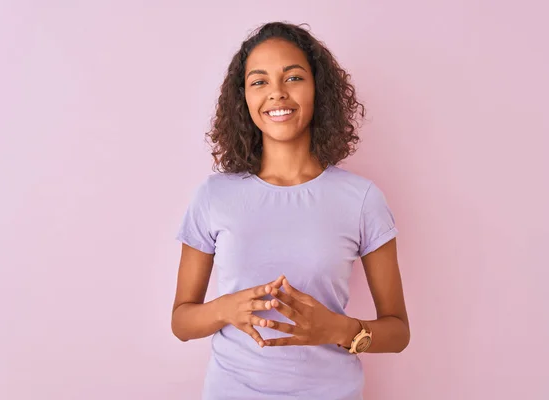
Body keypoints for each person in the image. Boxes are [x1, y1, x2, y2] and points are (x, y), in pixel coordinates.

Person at [171, 21, 410, 400]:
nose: (277, 93)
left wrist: (335, 329)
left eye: (293, 77)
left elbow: (398, 332)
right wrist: (226, 309)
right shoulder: (214, 196)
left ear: (318, 89)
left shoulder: (362, 199)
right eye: (259, 81)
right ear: (243, 98)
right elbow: (182, 322)